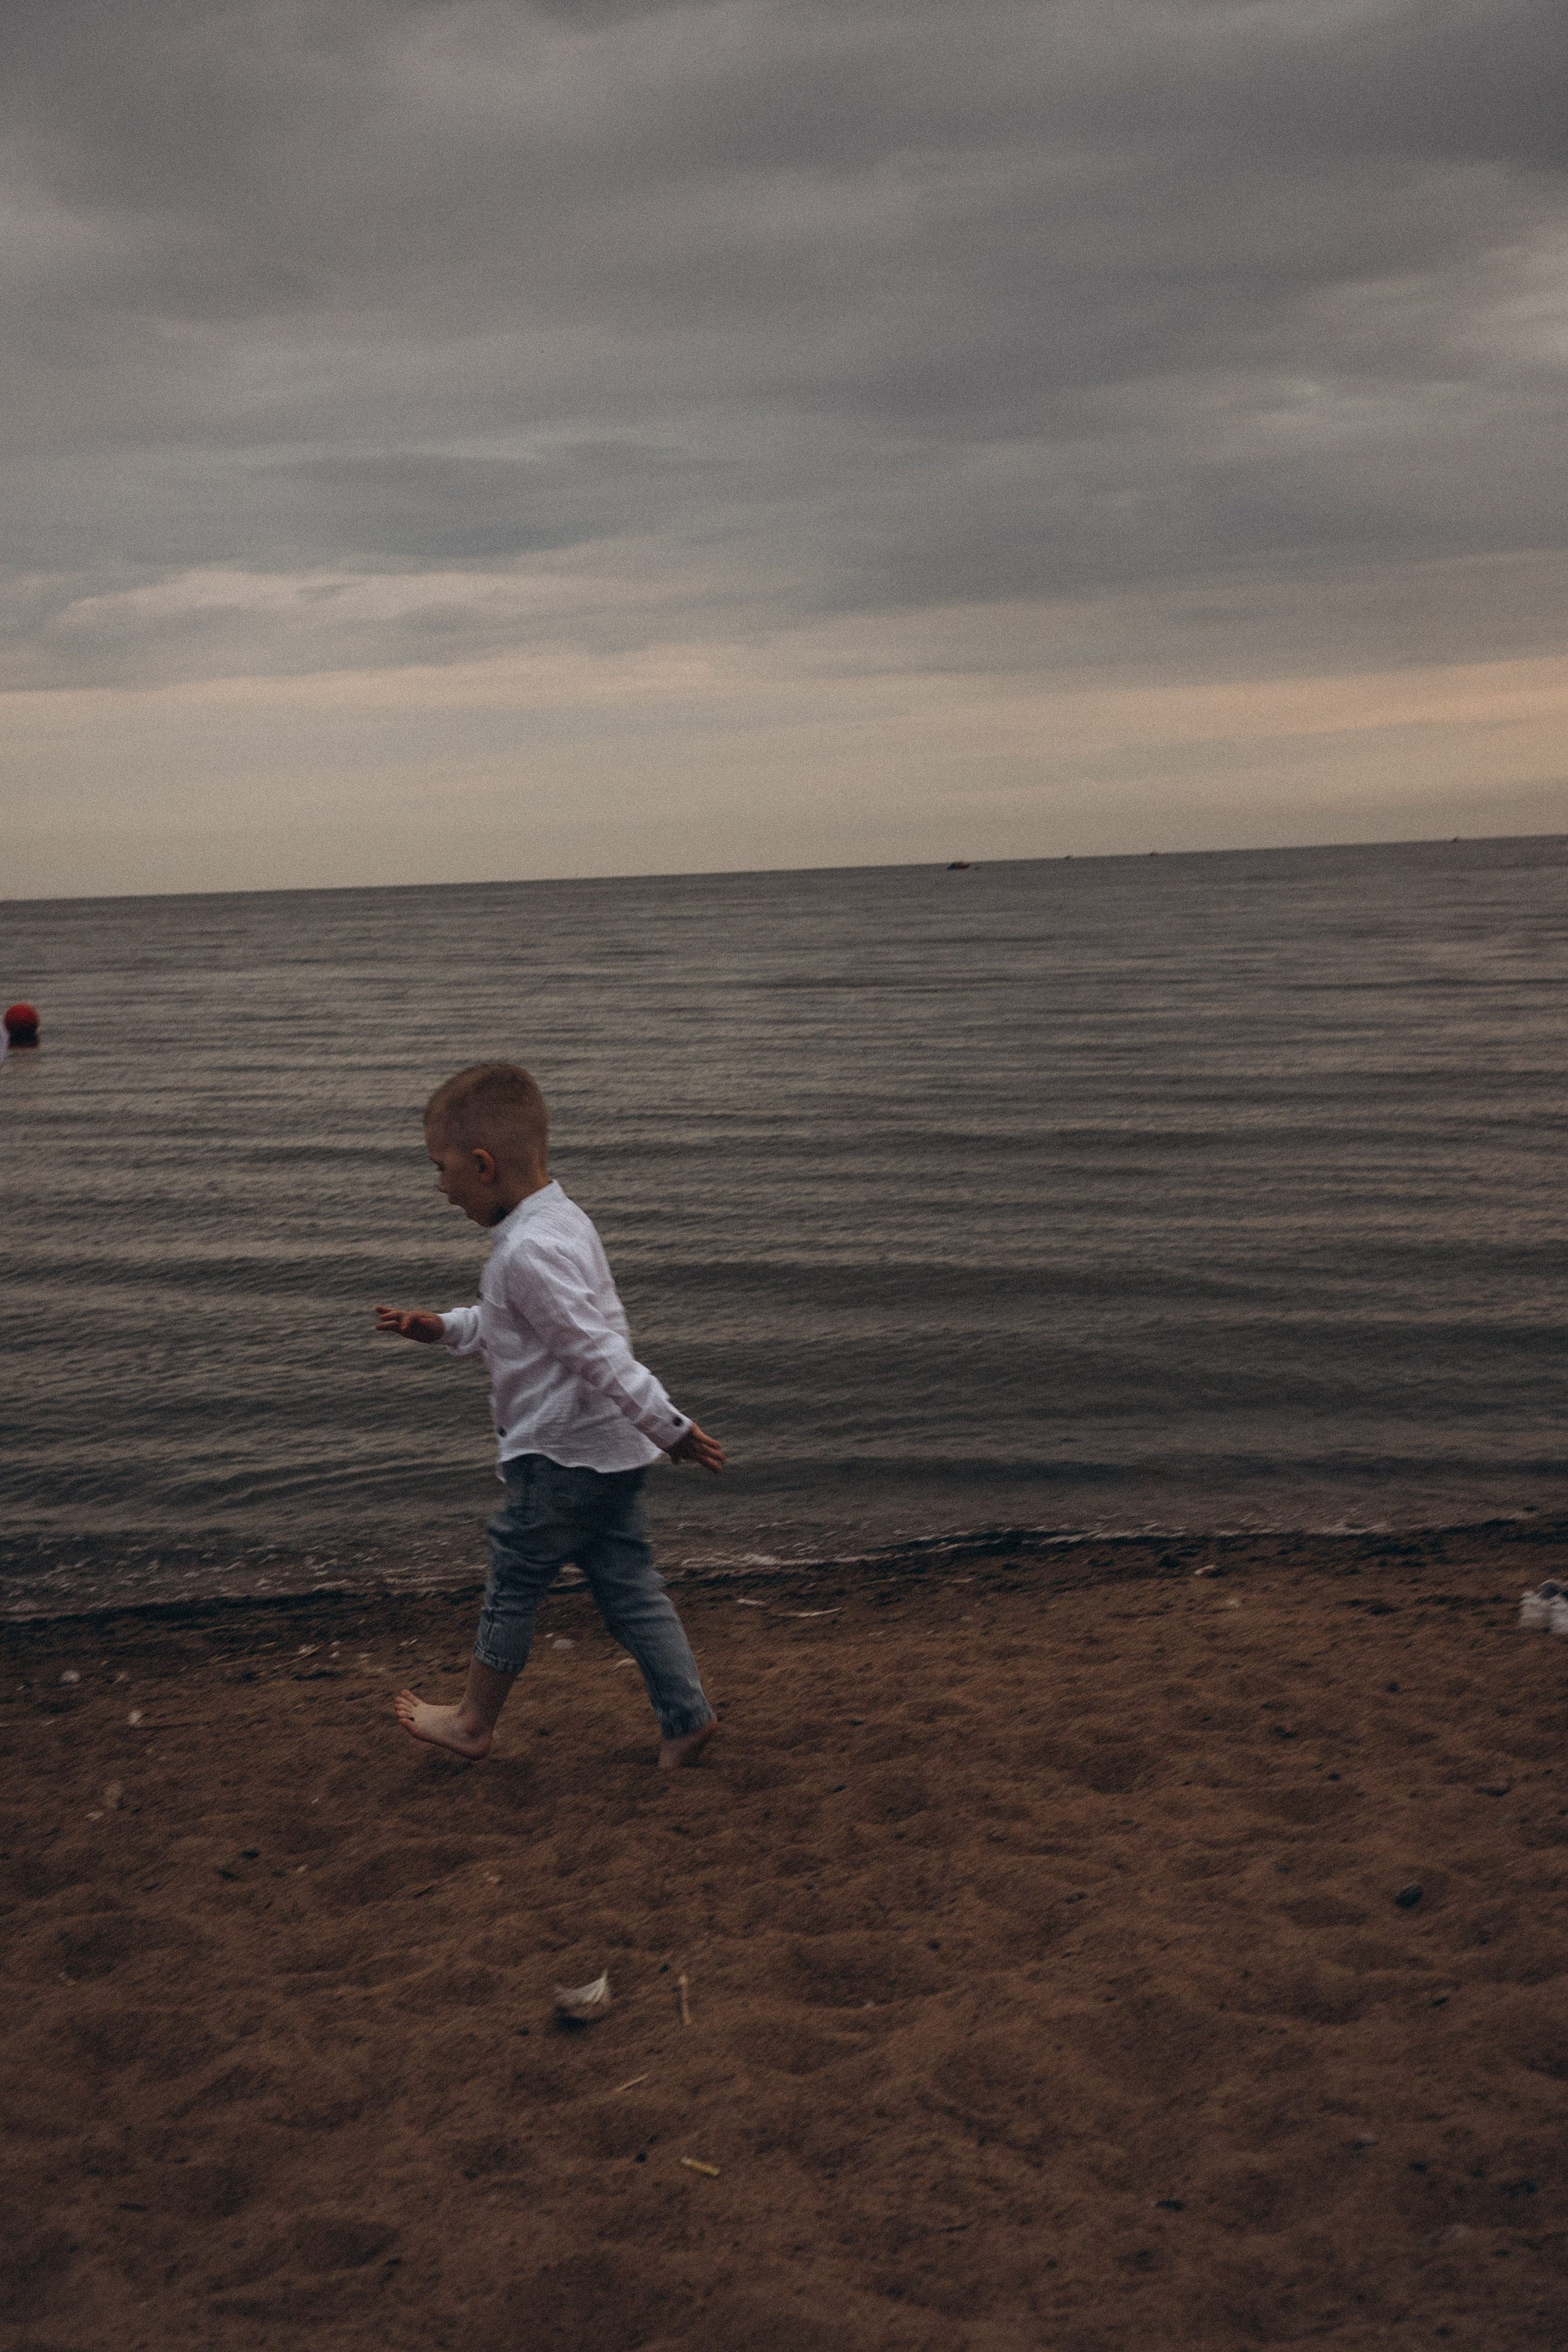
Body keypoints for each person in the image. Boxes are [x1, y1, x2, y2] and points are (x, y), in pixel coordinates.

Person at [375, 1061, 725, 1771]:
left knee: (513, 1579)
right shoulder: (561, 1222)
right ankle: (686, 1719)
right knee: (630, 1591)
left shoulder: (525, 1253)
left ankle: (474, 1721)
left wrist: (672, 1426)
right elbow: (523, 1331)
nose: (439, 1188)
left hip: (559, 1458)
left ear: (482, 1165)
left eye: (439, 1169)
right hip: (609, 1456)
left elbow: (596, 1353)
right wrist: (442, 1327)